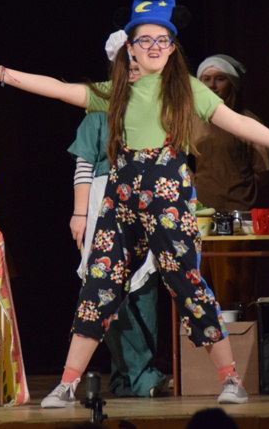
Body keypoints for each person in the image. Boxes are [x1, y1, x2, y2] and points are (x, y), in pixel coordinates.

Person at [0, 0, 269, 407]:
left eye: (161, 40)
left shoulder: (187, 90)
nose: (153, 46)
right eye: (144, 39)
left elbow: (239, 123)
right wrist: (1, 73)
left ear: (172, 47)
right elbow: (60, 89)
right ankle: (67, 383)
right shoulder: (117, 93)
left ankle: (231, 380)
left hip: (168, 197)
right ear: (129, 46)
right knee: (99, 283)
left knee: (187, 283)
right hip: (121, 197)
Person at [68, 30, 167, 398]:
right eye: (128, 65)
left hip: (146, 198)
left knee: (143, 287)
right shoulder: (99, 111)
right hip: (103, 199)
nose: (135, 70)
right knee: (107, 290)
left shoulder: (159, 107)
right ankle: (132, 373)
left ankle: (135, 374)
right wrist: (80, 215)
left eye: (139, 64)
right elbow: (83, 166)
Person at [189, 55, 269, 308]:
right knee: (202, 284)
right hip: (201, 217)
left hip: (236, 216)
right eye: (206, 79)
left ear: (232, 84)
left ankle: (240, 331)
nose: (212, 85)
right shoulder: (193, 120)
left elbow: (263, 171)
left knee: (235, 285)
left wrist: (240, 195)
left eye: (219, 79)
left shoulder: (246, 121)